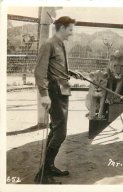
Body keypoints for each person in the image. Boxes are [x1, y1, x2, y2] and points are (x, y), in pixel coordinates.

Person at [34, 16, 82, 184]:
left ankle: (49, 167)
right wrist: (44, 94)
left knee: (56, 130)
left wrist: (71, 72)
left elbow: (56, 67)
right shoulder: (48, 44)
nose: (72, 33)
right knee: (60, 133)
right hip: (54, 92)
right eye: (70, 29)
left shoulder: (60, 44)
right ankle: (43, 174)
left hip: (63, 89)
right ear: (61, 28)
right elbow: (39, 72)